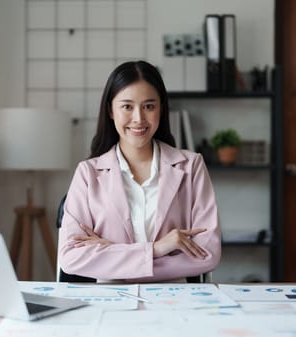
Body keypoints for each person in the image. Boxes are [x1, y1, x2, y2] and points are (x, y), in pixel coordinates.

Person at [58, 60, 221, 283]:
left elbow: (208, 254)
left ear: (161, 109)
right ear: (110, 110)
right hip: (110, 301)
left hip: (177, 301)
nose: (138, 119)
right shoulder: (87, 174)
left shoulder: (192, 167)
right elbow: (70, 257)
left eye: (149, 106)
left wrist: (115, 255)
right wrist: (157, 249)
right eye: (127, 106)